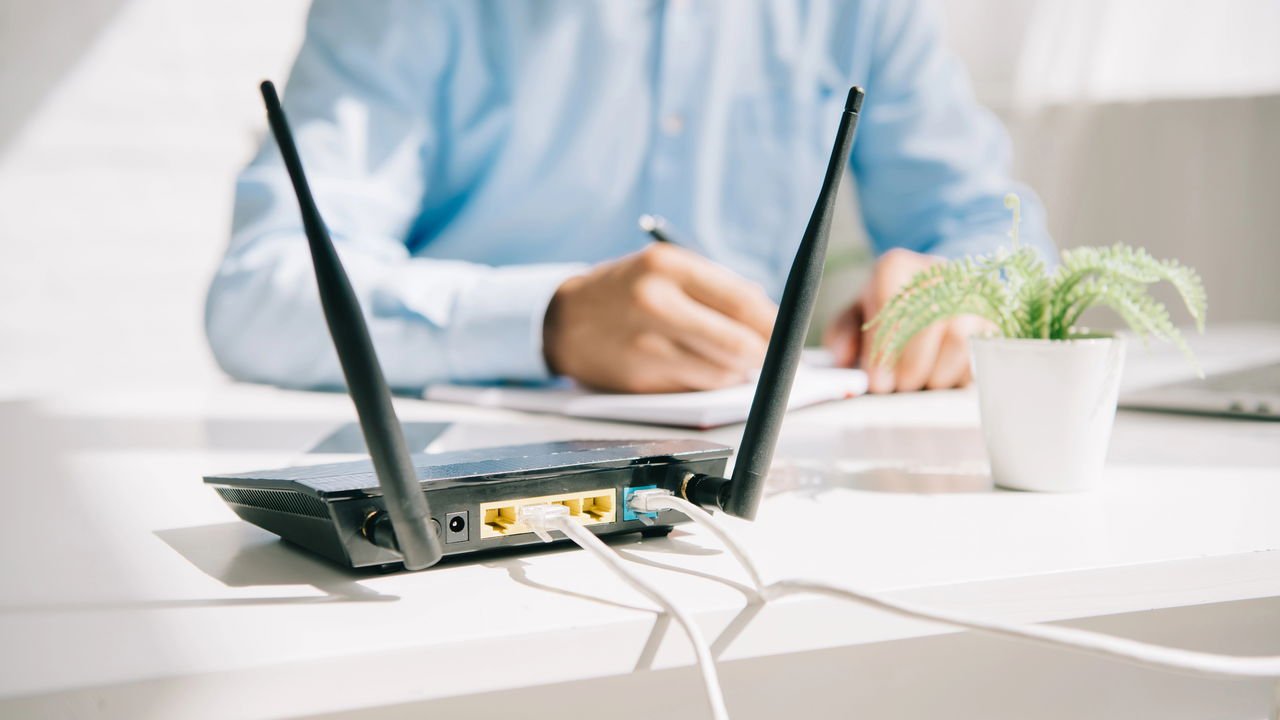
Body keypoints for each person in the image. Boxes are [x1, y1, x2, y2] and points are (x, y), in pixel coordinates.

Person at [206, 0, 1053, 395]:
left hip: (765, 489)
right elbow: (259, 294)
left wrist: (964, 293)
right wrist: (551, 321)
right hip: (453, 482)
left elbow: (995, 228)